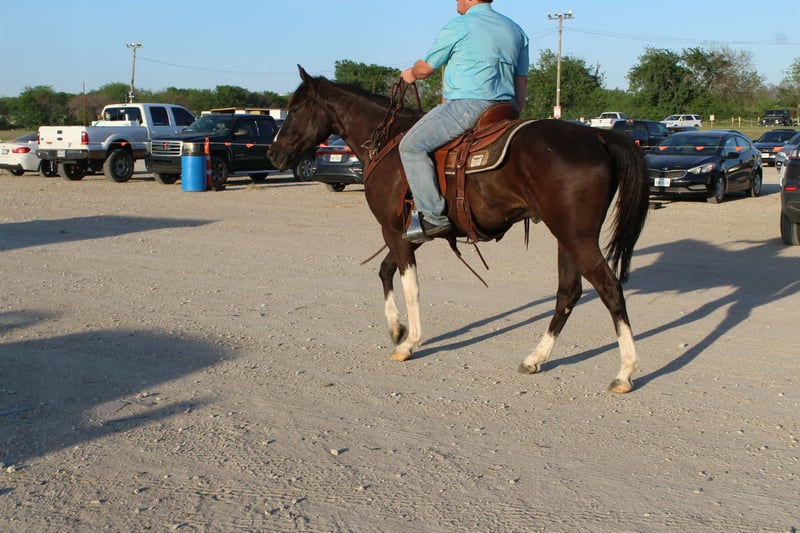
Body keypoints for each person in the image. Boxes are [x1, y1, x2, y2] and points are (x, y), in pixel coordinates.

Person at [399, 0, 529, 243]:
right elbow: (521, 80)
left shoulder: (460, 25)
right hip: (504, 109)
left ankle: (432, 217)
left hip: (467, 105)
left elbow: (426, 69)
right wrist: (515, 112)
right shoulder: (516, 30)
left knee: (411, 146)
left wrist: (411, 73)